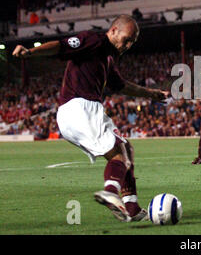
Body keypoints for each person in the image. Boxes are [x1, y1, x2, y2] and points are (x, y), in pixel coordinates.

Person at [12, 15, 169, 221]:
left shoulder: (108, 58)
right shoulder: (94, 41)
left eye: (133, 42)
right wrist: (30, 52)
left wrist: (152, 94)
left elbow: (122, 86)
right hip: (81, 107)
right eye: (127, 39)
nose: (129, 45)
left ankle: (131, 208)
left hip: (74, 114)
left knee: (126, 149)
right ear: (113, 31)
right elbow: (60, 46)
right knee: (119, 154)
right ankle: (111, 193)